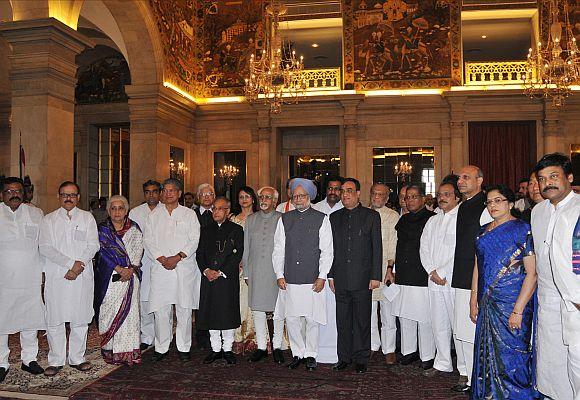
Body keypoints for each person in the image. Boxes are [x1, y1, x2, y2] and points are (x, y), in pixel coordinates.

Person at [470, 184, 541, 399]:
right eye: (489, 202)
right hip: (487, 302)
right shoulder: (483, 232)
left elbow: (532, 273)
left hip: (512, 303)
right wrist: (473, 298)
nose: (493, 205)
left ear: (510, 203)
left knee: (513, 357)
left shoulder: (522, 229)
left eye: (498, 200)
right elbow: (477, 266)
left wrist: (518, 310)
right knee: (486, 354)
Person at [272, 178, 333, 371]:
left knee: (312, 318)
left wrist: (322, 275)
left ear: (309, 197)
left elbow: (327, 251)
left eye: (302, 196)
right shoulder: (284, 218)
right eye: (295, 196)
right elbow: (278, 249)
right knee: (291, 318)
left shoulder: (322, 218)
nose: (298, 199)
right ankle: (297, 353)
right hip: (290, 277)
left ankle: (311, 354)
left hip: (312, 277)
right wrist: (279, 274)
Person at [39, 181, 99, 376]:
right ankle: (56, 360)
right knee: (55, 318)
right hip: (57, 275)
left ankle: (77, 358)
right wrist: (69, 264)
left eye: (72, 195)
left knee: (80, 318)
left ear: (78, 197)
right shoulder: (49, 219)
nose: (68, 198)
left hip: (81, 275)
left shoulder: (87, 217)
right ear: (59, 196)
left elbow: (93, 245)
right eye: (64, 194)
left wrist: (78, 266)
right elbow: (45, 247)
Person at [532, 153, 578, 399]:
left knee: (577, 360)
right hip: (547, 297)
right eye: (541, 178)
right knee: (551, 359)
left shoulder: (579, 208)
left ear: (569, 177)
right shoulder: (537, 211)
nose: (547, 183)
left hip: (576, 299)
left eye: (553, 176)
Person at [143, 178, 201, 362]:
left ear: (179, 193)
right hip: (161, 268)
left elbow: (194, 239)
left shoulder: (189, 214)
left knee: (184, 309)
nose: (168, 193)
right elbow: (148, 240)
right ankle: (161, 347)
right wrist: (162, 258)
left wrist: (177, 257)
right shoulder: (154, 215)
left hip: (183, 267)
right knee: (161, 309)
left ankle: (184, 347)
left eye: (172, 190)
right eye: (165, 190)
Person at [329, 178, 382, 374]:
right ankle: (343, 357)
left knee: (361, 321)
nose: (345, 194)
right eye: (343, 191)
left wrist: (375, 276)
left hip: (363, 278)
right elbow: (330, 250)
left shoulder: (371, 216)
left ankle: (361, 357)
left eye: (349, 191)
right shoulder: (334, 218)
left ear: (359, 193)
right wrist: (331, 275)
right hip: (340, 278)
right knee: (342, 321)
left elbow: (377, 248)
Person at [450, 165, 492, 393]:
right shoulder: (463, 206)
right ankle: (465, 372)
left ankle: (476, 375)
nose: (461, 181)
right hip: (460, 273)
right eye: (459, 178)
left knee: (471, 329)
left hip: (476, 277)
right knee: (460, 329)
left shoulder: (486, 206)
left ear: (480, 180)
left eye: (466, 177)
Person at [0, 177, 45, 382]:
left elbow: (42, 244)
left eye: (17, 190)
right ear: (2, 195)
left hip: (30, 277)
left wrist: (44, 272)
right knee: (1, 321)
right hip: (4, 280)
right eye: (9, 191)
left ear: (24, 192)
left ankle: (29, 359)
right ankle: (1, 362)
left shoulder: (36, 213)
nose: (14, 194)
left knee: (30, 320)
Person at [95, 195, 144, 366]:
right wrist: (119, 269)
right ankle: (110, 350)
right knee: (108, 311)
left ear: (126, 210)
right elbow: (102, 253)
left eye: (120, 208)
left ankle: (129, 351)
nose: (117, 211)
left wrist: (130, 269)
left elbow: (139, 249)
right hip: (109, 279)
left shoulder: (134, 229)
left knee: (130, 315)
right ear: (108, 210)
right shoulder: (102, 230)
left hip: (131, 278)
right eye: (113, 208)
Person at [419, 178, 461, 378]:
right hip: (433, 279)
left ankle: (464, 367)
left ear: (456, 197)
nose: (442, 198)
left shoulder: (462, 217)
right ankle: (443, 362)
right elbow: (424, 247)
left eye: (447, 194)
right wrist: (431, 271)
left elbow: (462, 249)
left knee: (458, 324)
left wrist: (443, 272)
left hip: (454, 279)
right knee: (438, 323)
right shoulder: (433, 219)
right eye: (440, 195)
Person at [391, 184, 436, 370]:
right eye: (407, 197)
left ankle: (427, 355)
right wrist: (392, 270)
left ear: (423, 198)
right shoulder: (403, 220)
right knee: (405, 316)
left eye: (414, 197)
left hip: (422, 275)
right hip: (403, 274)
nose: (410, 200)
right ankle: (408, 351)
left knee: (424, 317)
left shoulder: (432, 219)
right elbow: (397, 247)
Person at [197, 197, 244, 365]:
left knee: (227, 313)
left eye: (219, 209)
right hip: (208, 278)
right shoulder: (205, 230)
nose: (215, 212)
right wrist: (206, 270)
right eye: (214, 209)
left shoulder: (236, 230)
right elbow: (200, 253)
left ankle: (227, 349)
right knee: (212, 313)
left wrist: (221, 272)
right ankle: (215, 349)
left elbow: (237, 255)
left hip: (226, 278)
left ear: (227, 211)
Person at [242, 186, 284, 364]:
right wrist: (246, 272)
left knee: (278, 310)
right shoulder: (251, 219)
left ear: (274, 201)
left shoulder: (282, 219)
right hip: (256, 270)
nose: (264, 200)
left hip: (276, 271)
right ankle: (261, 346)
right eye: (262, 197)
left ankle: (277, 346)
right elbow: (246, 247)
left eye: (268, 197)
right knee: (258, 309)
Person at [313, 176, 344, 365]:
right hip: (318, 267)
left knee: (336, 311)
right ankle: (316, 349)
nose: (333, 192)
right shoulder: (316, 209)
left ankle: (337, 349)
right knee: (318, 310)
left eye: (337, 189)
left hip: (339, 268)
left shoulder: (346, 209)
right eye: (330, 188)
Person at [128, 180, 162, 350]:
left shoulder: (166, 211)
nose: (151, 195)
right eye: (147, 192)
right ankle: (147, 337)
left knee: (163, 302)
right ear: (144, 194)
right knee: (144, 300)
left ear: (160, 193)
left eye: (155, 191)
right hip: (142, 262)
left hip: (162, 263)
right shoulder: (135, 213)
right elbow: (131, 238)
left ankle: (164, 337)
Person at [369, 183, 399, 365]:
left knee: (388, 314)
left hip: (386, 271)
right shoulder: (363, 213)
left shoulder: (392, 216)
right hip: (368, 272)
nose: (377, 197)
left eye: (381, 194)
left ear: (387, 198)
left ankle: (389, 349)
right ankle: (373, 345)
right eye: (374, 193)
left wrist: (390, 269)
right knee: (370, 312)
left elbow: (393, 245)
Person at [551, 212, 580, 399]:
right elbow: (559, 260)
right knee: (577, 358)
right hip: (576, 302)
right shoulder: (569, 218)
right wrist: (576, 298)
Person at [230, 186, 259, 354]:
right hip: (237, 266)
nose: (244, 199)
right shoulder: (233, 219)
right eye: (241, 197)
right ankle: (238, 336)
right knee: (239, 301)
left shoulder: (258, 217)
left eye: (247, 196)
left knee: (253, 301)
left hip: (255, 265)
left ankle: (254, 337)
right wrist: (237, 260)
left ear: (253, 198)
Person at [193, 183, 215, 349]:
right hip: (195, 263)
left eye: (210, 194)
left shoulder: (221, 212)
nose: (207, 197)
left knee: (214, 297)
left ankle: (215, 331)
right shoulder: (191, 215)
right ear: (198, 197)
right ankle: (201, 334)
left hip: (216, 263)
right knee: (198, 298)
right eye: (204, 194)